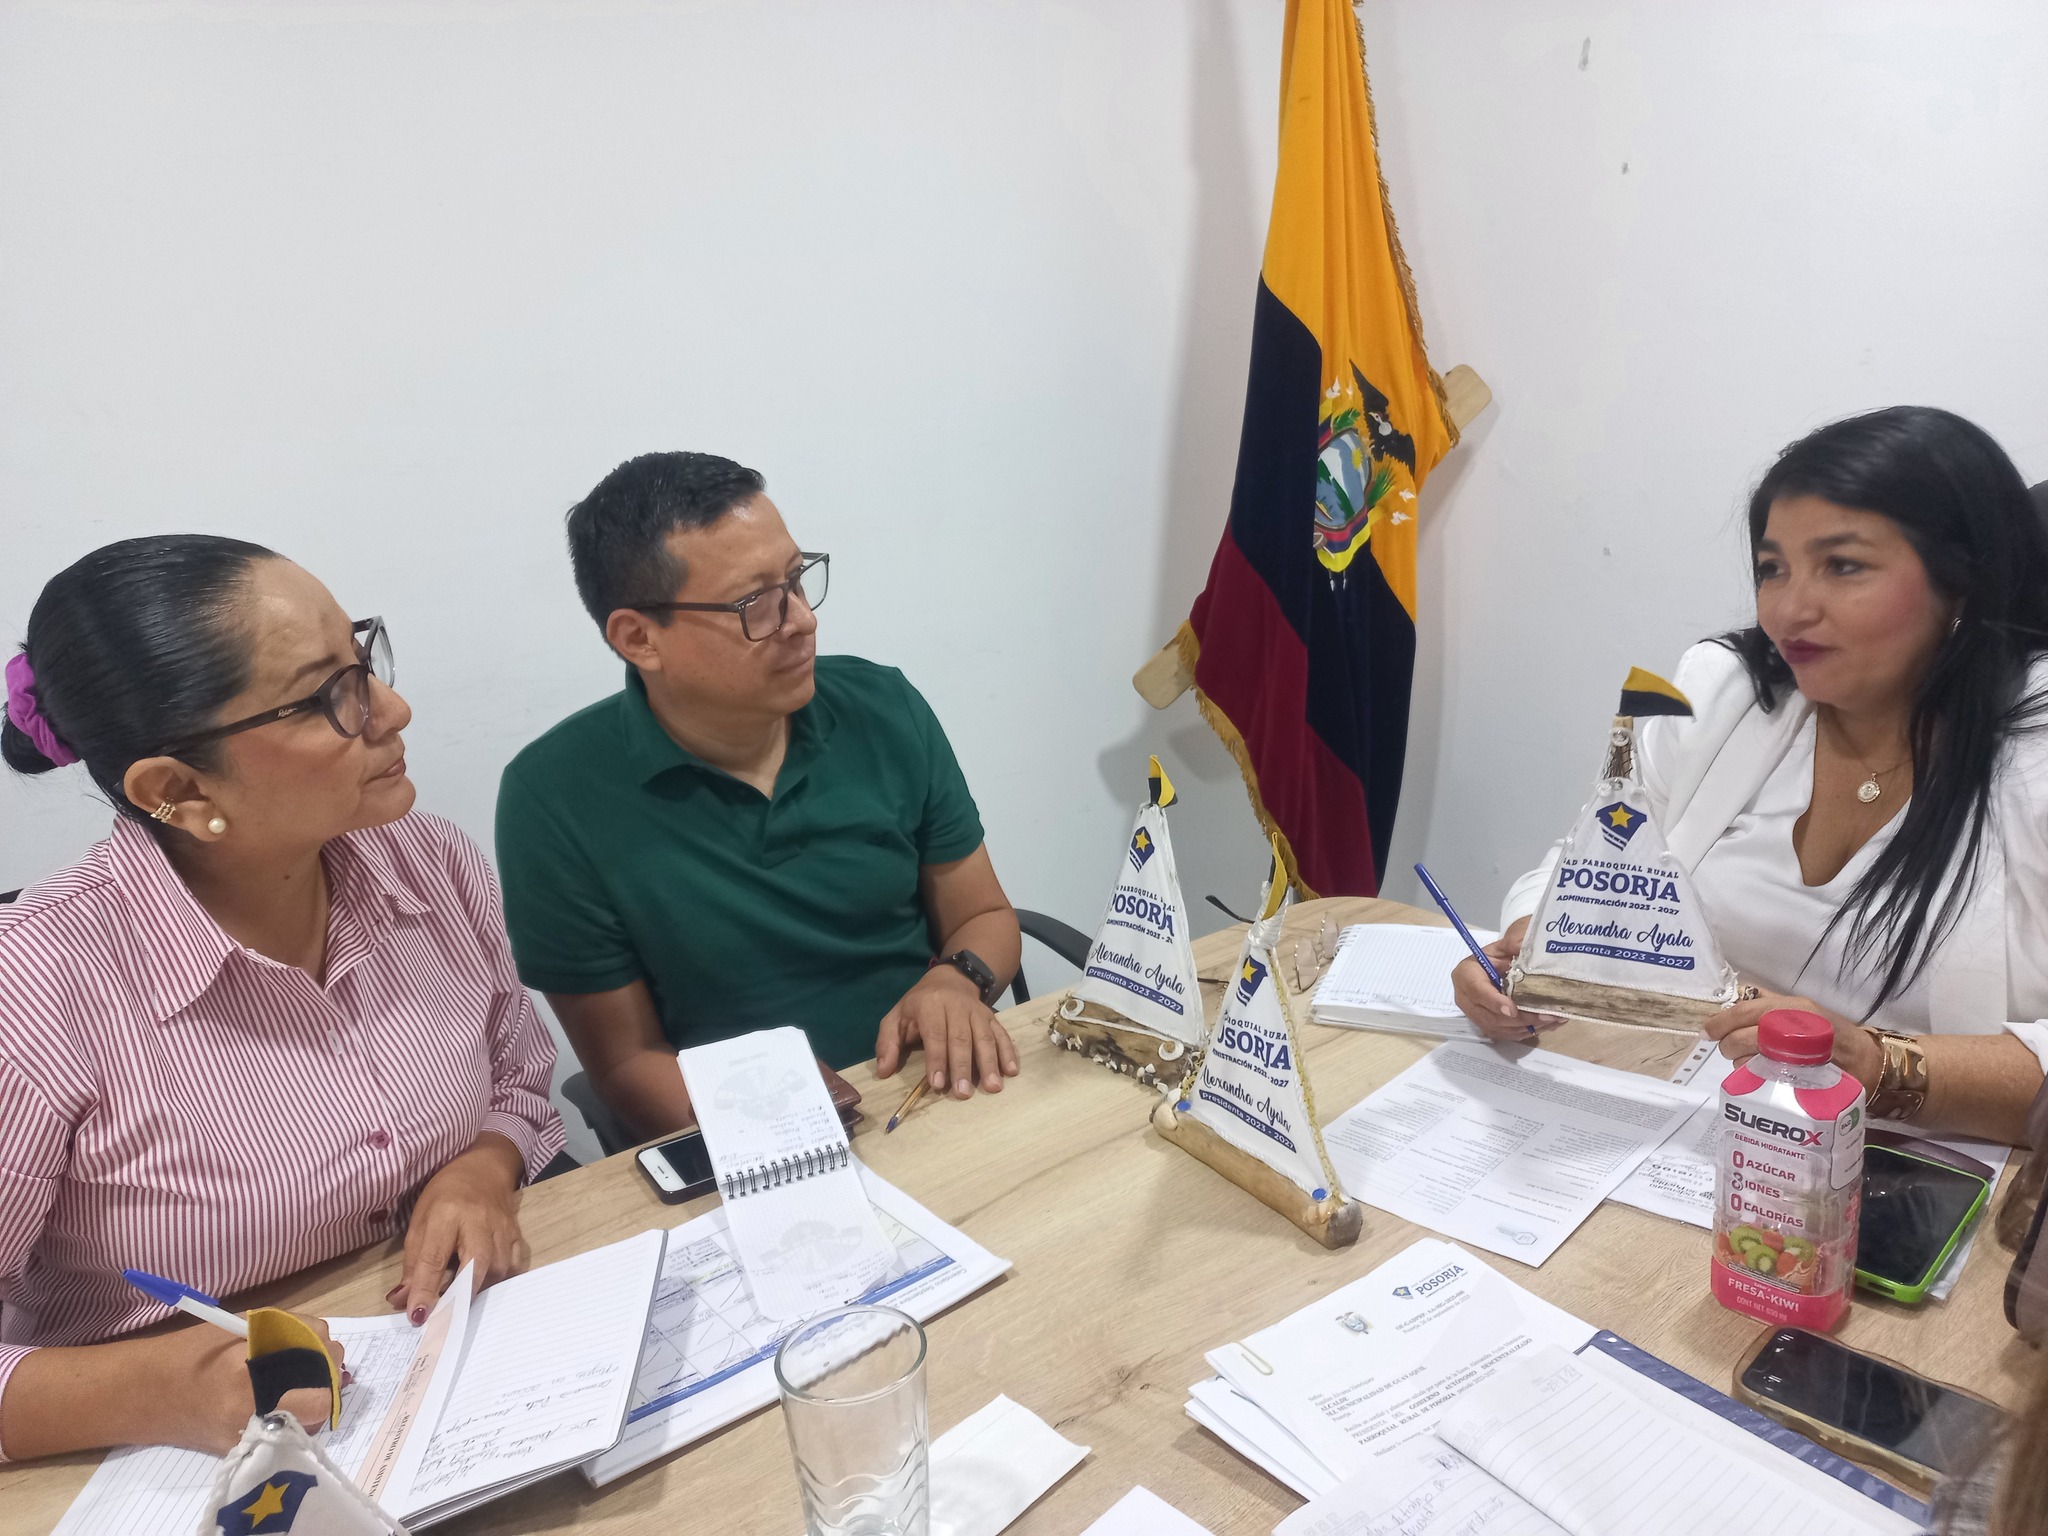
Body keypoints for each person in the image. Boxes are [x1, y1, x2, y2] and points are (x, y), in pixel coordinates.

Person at [0, 536, 565, 1462]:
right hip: (179, 1462)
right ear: (177, 791)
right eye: (327, 695)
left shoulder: (427, 862)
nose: (392, 709)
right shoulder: (36, 992)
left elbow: (517, 1076)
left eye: (363, 659)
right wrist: (158, 1391)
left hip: (460, 1380)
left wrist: (482, 1165)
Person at [1453, 407, 2048, 1146]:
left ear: (1961, 583)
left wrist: (1874, 1062)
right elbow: (1593, 863)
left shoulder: (2035, 751)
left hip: (1929, 1168)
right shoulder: (1723, 694)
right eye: (1773, 569)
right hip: (1695, 1124)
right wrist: (1527, 947)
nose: (1788, 610)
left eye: (1843, 565)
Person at [496, 452, 1022, 1142]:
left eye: (797, 580)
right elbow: (625, 1062)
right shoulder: (554, 796)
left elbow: (983, 914)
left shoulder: (882, 707)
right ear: (639, 637)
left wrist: (956, 980)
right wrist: (781, 1124)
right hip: (746, 1140)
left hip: (934, 1089)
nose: (801, 620)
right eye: (756, 604)